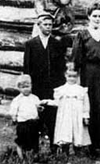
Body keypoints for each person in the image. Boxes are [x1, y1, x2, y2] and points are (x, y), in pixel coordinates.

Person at [71, 2, 100, 156]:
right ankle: (91, 147)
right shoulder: (82, 35)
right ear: (89, 17)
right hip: (88, 74)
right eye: (94, 16)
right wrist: (78, 83)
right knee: (90, 107)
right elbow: (77, 61)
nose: (97, 19)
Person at [23, 12, 66, 153]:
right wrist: (28, 87)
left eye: (50, 25)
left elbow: (61, 67)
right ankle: (34, 149)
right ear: (39, 25)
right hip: (36, 87)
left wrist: (60, 87)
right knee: (35, 118)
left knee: (52, 117)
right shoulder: (30, 44)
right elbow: (27, 68)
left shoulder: (57, 44)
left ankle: (54, 148)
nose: (48, 27)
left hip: (53, 87)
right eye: (45, 24)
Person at [44, 67, 91, 154]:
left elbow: (86, 105)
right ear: (65, 76)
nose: (72, 79)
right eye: (69, 76)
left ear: (77, 77)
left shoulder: (81, 90)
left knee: (77, 131)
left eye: (74, 76)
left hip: (77, 115)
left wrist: (86, 116)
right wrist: (47, 102)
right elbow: (57, 102)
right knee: (65, 130)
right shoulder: (61, 90)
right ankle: (65, 150)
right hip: (65, 115)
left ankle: (78, 150)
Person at [9, 74, 43, 161]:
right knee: (21, 141)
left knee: (34, 139)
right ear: (19, 88)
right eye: (23, 87)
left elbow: (38, 107)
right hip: (23, 124)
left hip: (34, 123)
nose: (26, 89)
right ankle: (21, 158)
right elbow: (13, 110)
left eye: (28, 86)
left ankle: (35, 156)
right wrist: (14, 118)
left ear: (31, 86)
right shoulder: (17, 100)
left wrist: (40, 108)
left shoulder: (35, 98)